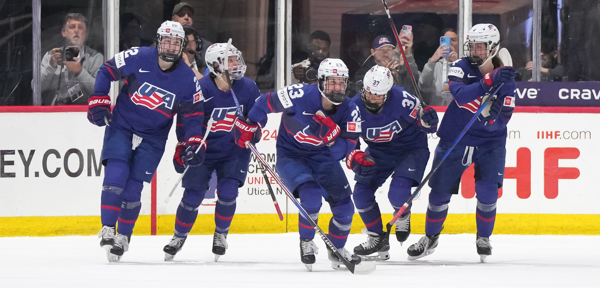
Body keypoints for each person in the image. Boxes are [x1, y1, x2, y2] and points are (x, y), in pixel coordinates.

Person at [92, 21, 204, 263]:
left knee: (133, 189)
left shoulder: (187, 79)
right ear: (158, 40)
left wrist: (192, 142)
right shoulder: (139, 56)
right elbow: (107, 70)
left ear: (182, 45)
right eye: (167, 40)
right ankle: (108, 228)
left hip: (153, 137)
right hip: (121, 125)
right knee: (115, 175)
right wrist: (99, 97)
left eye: (177, 42)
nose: (171, 46)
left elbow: (193, 115)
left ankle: (124, 235)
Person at [236, 58, 362, 271]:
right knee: (310, 196)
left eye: (341, 82)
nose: (337, 88)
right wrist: (251, 123)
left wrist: (331, 138)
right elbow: (265, 102)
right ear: (320, 82)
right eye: (332, 82)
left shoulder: (350, 109)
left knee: (345, 209)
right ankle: (306, 242)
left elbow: (345, 152)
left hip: (324, 158)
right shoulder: (298, 94)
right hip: (291, 155)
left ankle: (337, 250)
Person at [407, 23, 516, 262]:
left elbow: (505, 114)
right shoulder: (459, 67)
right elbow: (461, 95)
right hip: (456, 137)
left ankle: (483, 238)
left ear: (493, 48)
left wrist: (491, 122)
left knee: (488, 192)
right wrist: (489, 80)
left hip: (490, 143)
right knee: (438, 194)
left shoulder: (506, 77)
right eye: (472, 46)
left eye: (480, 47)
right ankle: (430, 237)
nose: (474, 51)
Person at [162, 42, 262, 262]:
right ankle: (178, 237)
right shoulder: (200, 88)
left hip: (234, 151)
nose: (237, 64)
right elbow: (187, 120)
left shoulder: (248, 87)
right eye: (231, 60)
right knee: (193, 195)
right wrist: (186, 144)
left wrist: (253, 130)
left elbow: (258, 116)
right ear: (215, 65)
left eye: (237, 59)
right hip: (204, 151)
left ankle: (221, 235)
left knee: (228, 192)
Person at [349, 65, 438, 261]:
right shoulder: (353, 107)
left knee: (398, 194)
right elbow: (350, 141)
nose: (372, 99)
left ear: (388, 93)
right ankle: (376, 237)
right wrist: (356, 159)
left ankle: (402, 215)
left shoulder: (403, 99)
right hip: (378, 153)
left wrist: (429, 122)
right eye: (370, 93)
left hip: (411, 149)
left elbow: (427, 126)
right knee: (360, 194)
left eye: (378, 95)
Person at [41, 13, 104, 105]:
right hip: (53, 112)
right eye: (72, 27)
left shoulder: (96, 58)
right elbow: (36, 88)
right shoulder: (51, 56)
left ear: (86, 34)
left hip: (82, 112)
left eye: (80, 27)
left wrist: (80, 72)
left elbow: (101, 90)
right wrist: (50, 66)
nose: (76, 31)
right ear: (64, 32)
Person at [354, 35, 420, 97]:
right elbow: (364, 95)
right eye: (380, 49)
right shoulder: (363, 72)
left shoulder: (399, 68)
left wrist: (395, 76)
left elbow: (413, 84)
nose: (385, 53)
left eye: (389, 49)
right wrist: (385, 75)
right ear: (372, 52)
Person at [418, 28, 459, 106]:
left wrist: (457, 64)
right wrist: (432, 61)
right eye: (446, 40)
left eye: (453, 40)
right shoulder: (435, 66)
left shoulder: (465, 65)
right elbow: (423, 87)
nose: (449, 44)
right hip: (438, 112)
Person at [172, 2, 212, 73]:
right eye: (181, 15)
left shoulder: (207, 47)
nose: (186, 17)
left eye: (189, 15)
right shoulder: (163, 45)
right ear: (173, 19)